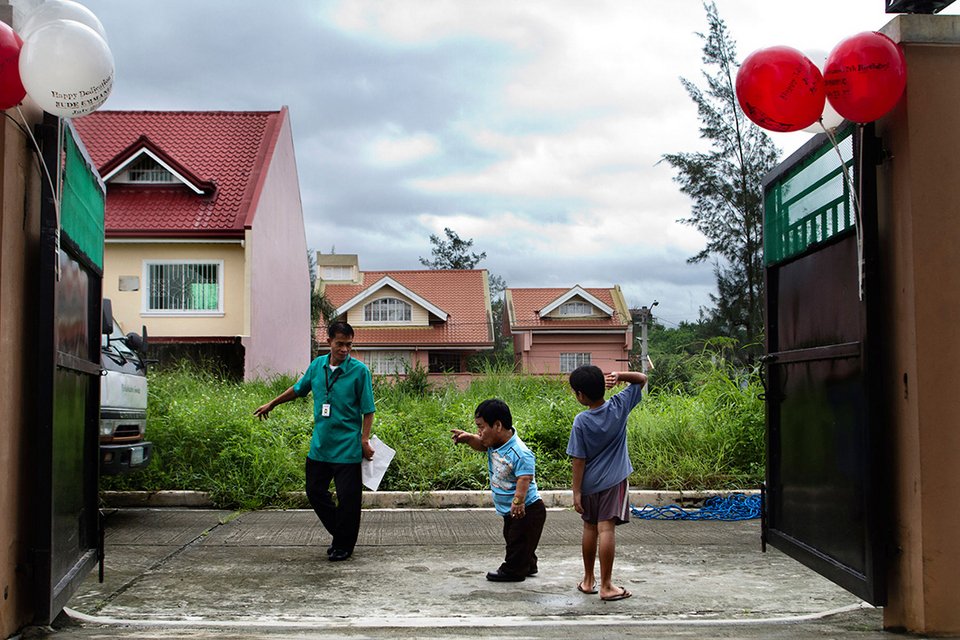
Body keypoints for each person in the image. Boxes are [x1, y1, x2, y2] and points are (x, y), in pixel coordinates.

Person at [254, 321, 375, 562]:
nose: (344, 349)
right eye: (340, 344)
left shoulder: (360, 371)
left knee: (349, 501)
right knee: (314, 492)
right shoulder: (317, 366)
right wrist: (273, 403)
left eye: (349, 345)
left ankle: (343, 546)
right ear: (328, 341)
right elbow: (298, 389)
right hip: (320, 447)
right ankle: (342, 535)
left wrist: (364, 439)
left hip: (348, 448)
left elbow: (368, 409)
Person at [566, 365, 647, 601]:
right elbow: (641, 379)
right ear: (604, 386)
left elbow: (578, 459)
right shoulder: (618, 405)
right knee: (606, 529)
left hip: (589, 484)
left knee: (589, 528)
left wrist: (577, 491)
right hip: (614, 481)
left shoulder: (580, 421)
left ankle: (589, 580)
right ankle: (607, 585)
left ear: (580, 395)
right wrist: (619, 376)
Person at [451, 398, 546, 582]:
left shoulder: (519, 452)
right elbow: (480, 444)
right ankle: (528, 563)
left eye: (481, 427)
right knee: (515, 538)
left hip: (528, 508)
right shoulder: (495, 443)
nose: (479, 432)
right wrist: (469, 438)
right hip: (510, 510)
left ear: (498, 425)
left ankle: (513, 570)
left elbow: (524, 478)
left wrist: (518, 501)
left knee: (517, 540)